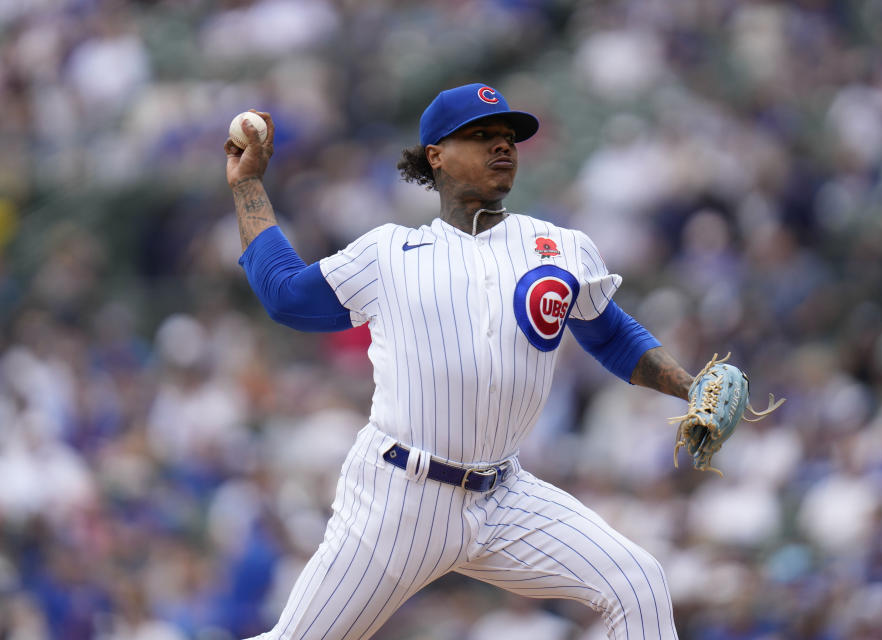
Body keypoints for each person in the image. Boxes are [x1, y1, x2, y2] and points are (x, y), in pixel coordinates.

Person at [225, 83, 692, 640]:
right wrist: (249, 185)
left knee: (638, 583)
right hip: (400, 495)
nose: (503, 147)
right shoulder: (388, 252)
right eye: (481, 135)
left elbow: (610, 334)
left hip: (507, 495)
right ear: (436, 155)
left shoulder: (560, 245)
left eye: (508, 137)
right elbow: (284, 294)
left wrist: (691, 386)